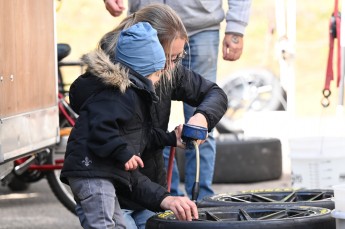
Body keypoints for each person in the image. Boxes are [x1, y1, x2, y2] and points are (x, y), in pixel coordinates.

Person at [103, 0, 252, 200]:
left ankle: (198, 200)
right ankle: (166, 196)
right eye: (170, 59)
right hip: (118, 192)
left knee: (194, 131)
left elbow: (213, 94)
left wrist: (203, 118)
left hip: (201, 20)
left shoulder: (172, 70)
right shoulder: (109, 83)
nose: (172, 69)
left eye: (177, 59)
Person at [60, 21, 199, 229]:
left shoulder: (131, 95)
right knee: (103, 225)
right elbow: (101, 127)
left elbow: (141, 134)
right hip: (91, 172)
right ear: (142, 72)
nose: (159, 80)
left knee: (118, 225)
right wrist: (123, 153)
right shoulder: (117, 94)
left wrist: (171, 138)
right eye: (158, 73)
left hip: (102, 174)